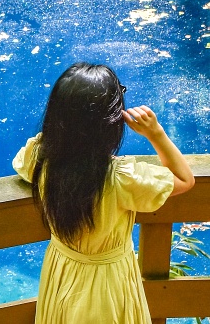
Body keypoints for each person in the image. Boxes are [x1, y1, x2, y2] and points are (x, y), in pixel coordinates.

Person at [12, 62, 195, 324]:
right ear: (108, 122)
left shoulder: (40, 158)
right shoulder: (121, 178)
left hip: (61, 268)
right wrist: (157, 134)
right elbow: (184, 179)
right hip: (108, 281)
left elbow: (20, 164)